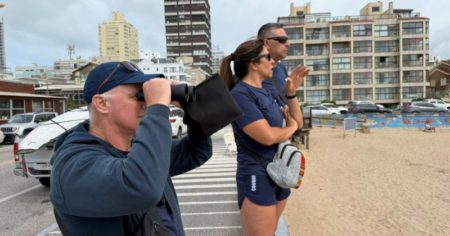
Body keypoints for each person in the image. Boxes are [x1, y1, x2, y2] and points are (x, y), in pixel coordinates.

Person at [49, 61, 212, 235]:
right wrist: (157, 108)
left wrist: (190, 107)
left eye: (147, 96)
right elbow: (142, 187)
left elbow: (196, 151)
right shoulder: (73, 167)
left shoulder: (136, 150)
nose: (146, 103)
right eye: (139, 96)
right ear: (102, 103)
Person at [220, 39, 309, 236]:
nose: (273, 62)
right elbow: (268, 137)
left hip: (278, 170)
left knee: (272, 231)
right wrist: (291, 127)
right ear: (253, 63)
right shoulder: (240, 95)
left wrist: (291, 93)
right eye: (267, 57)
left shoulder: (266, 90)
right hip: (256, 174)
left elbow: (298, 123)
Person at [257, 22, 306, 130]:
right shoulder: (251, 75)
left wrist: (291, 92)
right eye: (282, 39)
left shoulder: (281, 68)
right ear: (267, 43)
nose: (288, 44)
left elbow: (298, 123)